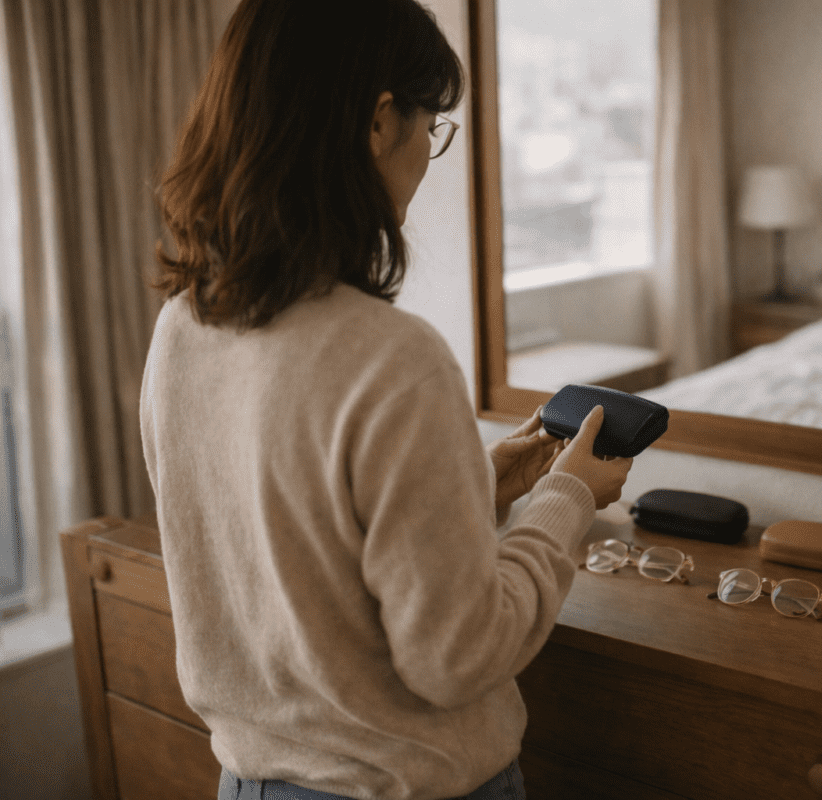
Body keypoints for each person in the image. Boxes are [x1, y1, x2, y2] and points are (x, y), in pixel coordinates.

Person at [141, 2, 633, 799]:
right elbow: (458, 656)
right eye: (432, 123)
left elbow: (292, 540)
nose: (431, 154)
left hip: (247, 783)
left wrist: (476, 481)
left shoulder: (182, 330)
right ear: (378, 122)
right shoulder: (395, 361)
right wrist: (569, 498)